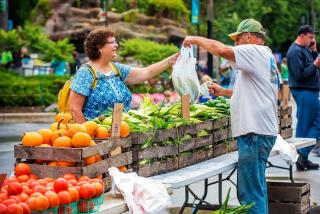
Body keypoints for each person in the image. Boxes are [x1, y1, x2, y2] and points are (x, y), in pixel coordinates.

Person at [183, 18, 279, 214]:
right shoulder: (265, 56)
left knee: (250, 193)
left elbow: (222, 50)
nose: (236, 45)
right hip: (260, 132)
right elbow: (256, 91)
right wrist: (224, 92)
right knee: (256, 189)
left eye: (238, 40)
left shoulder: (254, 51)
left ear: (249, 37)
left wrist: (195, 39)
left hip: (255, 133)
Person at [70, 28, 179, 123]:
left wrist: (170, 61)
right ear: (100, 47)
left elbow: (146, 72)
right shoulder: (85, 73)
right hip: (100, 139)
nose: (116, 45)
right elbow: (75, 110)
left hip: (123, 134)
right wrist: (90, 137)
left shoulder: (117, 69)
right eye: (112, 42)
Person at [286, 25, 320, 170]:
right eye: (311, 37)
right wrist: (315, 64)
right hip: (304, 91)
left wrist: (313, 52)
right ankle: (300, 155)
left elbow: (311, 66)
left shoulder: (306, 49)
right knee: (305, 125)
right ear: (302, 36)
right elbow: (299, 75)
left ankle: (302, 157)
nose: (313, 40)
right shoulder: (294, 51)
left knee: (312, 123)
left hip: (310, 91)